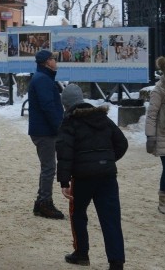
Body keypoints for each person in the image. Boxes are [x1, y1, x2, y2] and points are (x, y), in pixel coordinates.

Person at [57, 84, 127, 270]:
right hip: (107, 176)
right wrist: (107, 160)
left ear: (66, 105)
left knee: (78, 213)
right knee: (111, 218)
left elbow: (64, 153)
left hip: (83, 177)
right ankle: (116, 262)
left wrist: (65, 181)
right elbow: (122, 143)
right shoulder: (102, 117)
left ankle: (81, 253)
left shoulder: (69, 122)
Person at [27, 49, 66, 219]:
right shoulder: (42, 80)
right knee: (49, 168)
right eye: (52, 59)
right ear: (46, 62)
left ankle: (41, 202)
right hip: (44, 131)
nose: (55, 61)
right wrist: (59, 127)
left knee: (47, 167)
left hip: (44, 130)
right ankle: (45, 203)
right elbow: (48, 107)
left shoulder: (43, 78)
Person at [147, 56, 165, 214]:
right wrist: (150, 137)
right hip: (164, 134)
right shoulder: (159, 90)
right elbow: (151, 114)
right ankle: (163, 200)